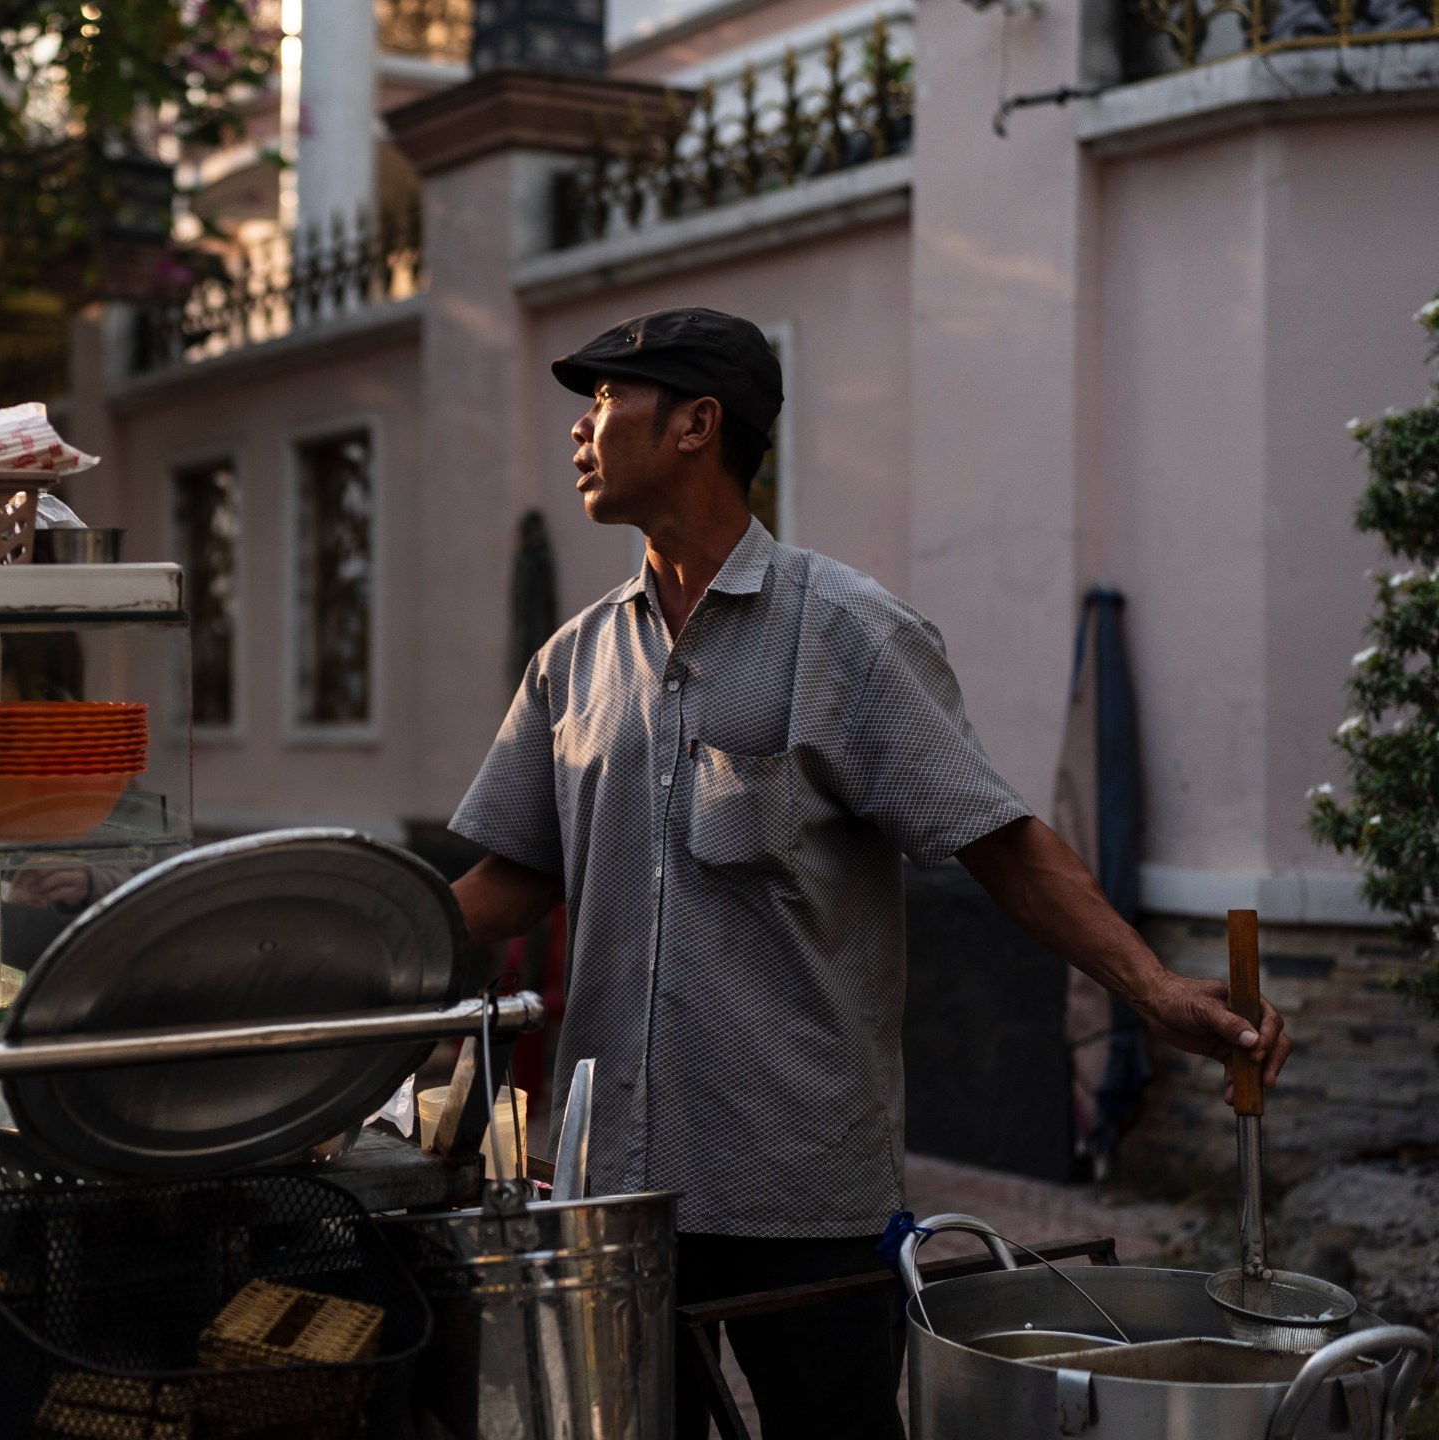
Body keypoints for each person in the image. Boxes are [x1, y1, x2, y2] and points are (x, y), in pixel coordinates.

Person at [445, 308, 1293, 1440]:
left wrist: (1156, 991)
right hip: (616, 1186)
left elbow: (1002, 843)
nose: (579, 431)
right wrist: (341, 956)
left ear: (699, 424)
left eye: (604, 401)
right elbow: (511, 879)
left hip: (797, 1185)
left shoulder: (842, 632)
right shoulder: (574, 658)